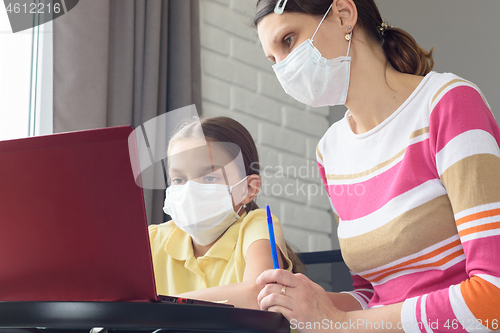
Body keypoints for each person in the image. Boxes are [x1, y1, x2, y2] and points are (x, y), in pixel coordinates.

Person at [253, 0, 500, 331]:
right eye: (273, 60)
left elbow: (492, 299)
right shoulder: (331, 150)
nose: (284, 67)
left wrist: (339, 322)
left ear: (344, 15)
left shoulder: (447, 104)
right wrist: (312, 303)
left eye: (288, 41)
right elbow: (372, 295)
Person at [148, 116, 301, 310]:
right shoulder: (152, 240)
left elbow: (259, 294)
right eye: (178, 180)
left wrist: (159, 306)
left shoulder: (257, 225)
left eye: (210, 177)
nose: (190, 191)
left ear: (249, 189)